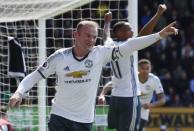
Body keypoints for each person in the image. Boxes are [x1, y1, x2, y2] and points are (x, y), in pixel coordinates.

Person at [8, 17, 177, 131]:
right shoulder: (60, 57)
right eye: (88, 36)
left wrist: (159, 35)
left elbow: (130, 46)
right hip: (60, 116)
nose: (91, 40)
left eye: (94, 37)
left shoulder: (101, 53)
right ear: (76, 35)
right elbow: (35, 76)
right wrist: (19, 92)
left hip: (85, 120)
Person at [98, 4, 167, 131]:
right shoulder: (128, 45)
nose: (132, 32)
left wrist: (106, 23)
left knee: (113, 128)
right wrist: (158, 14)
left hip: (115, 97)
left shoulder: (111, 46)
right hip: (130, 98)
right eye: (129, 29)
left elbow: (105, 37)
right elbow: (144, 35)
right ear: (120, 33)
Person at [138, 59, 166, 131]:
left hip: (143, 111)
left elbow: (162, 100)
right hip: (130, 109)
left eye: (147, 68)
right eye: (143, 69)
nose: (145, 71)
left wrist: (150, 105)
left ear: (150, 69)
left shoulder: (154, 79)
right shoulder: (133, 77)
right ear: (138, 69)